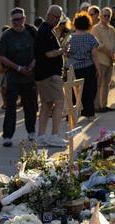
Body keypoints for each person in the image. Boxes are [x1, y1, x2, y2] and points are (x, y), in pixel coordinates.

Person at [0, 8, 38, 147]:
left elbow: (38, 51)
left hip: (29, 76)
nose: (17, 22)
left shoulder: (31, 32)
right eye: (14, 20)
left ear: (24, 19)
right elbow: (1, 56)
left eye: (19, 19)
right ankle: (7, 136)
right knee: (10, 108)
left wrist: (32, 65)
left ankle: (31, 131)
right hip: (13, 76)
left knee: (30, 106)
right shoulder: (7, 36)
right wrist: (18, 68)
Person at [35, 5, 69, 148]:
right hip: (49, 75)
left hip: (45, 74)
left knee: (47, 105)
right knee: (59, 102)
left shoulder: (47, 30)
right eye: (54, 17)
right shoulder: (45, 31)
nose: (56, 20)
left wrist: (60, 51)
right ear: (48, 15)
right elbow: (48, 53)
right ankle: (54, 136)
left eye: (58, 17)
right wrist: (63, 50)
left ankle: (41, 136)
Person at [68, 12, 102, 118]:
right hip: (88, 68)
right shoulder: (91, 38)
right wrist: (98, 69)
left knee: (73, 92)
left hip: (72, 68)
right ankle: (89, 113)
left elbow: (65, 53)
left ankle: (72, 115)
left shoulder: (70, 38)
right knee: (89, 91)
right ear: (88, 24)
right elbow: (94, 55)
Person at [91, 7, 115, 112]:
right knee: (98, 83)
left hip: (110, 61)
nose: (106, 17)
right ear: (100, 16)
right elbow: (98, 44)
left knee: (107, 84)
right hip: (100, 60)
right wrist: (109, 53)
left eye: (109, 16)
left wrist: (113, 52)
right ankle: (97, 106)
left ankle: (104, 105)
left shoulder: (112, 29)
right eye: (105, 15)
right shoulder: (95, 28)